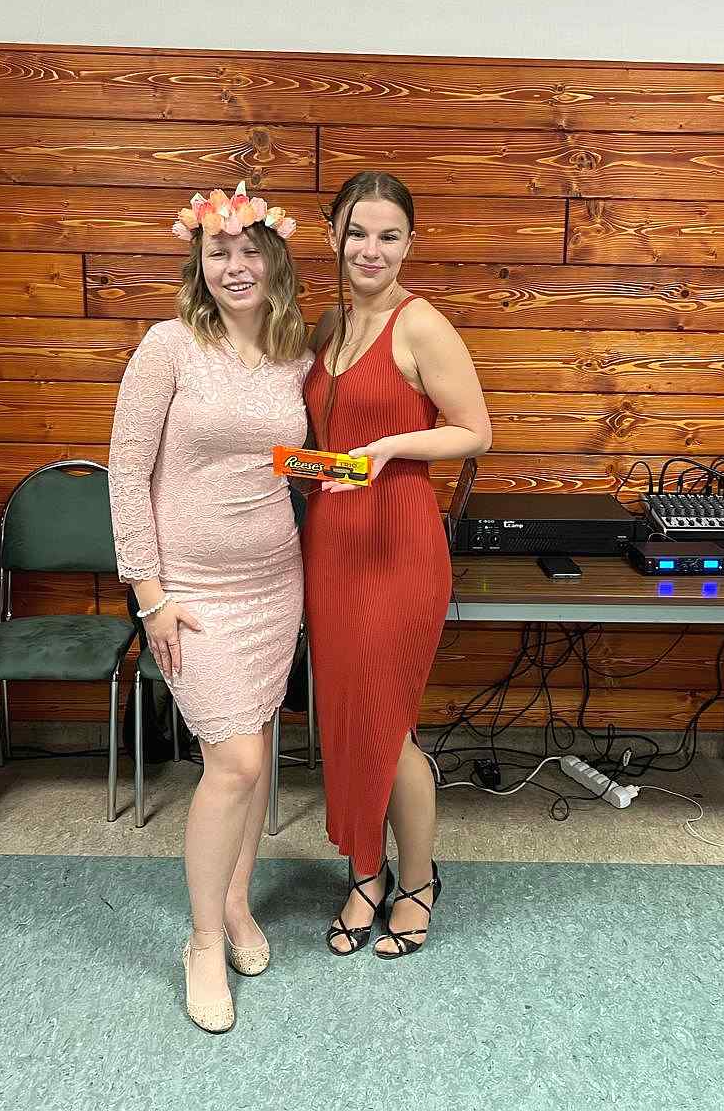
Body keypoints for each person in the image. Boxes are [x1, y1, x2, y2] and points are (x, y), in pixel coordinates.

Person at [109, 183, 308, 1033]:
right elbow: (126, 472)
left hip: (275, 582)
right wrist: (148, 594)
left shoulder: (296, 353)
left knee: (256, 756)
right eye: (218, 251)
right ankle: (200, 940)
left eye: (249, 250)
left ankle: (235, 901)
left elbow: (284, 459)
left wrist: (349, 471)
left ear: (275, 261)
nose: (234, 265)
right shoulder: (170, 346)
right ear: (198, 262)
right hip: (189, 593)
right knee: (233, 763)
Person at [303, 171, 491, 959]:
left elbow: (475, 430)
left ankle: (415, 880)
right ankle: (364, 873)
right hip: (331, 543)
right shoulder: (329, 323)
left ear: (411, 242)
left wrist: (392, 446)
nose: (370, 249)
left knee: (387, 723)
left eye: (388, 235)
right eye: (357, 232)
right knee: (346, 720)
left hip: (399, 544)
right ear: (334, 237)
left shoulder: (422, 325)